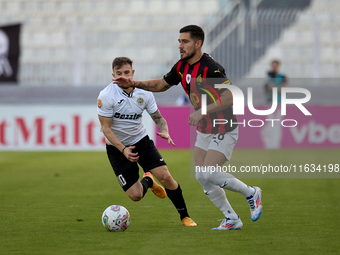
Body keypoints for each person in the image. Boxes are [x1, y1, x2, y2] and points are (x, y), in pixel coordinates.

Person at [113, 25, 262, 230]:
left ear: (198, 43)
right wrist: (133, 83)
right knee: (202, 176)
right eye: (179, 41)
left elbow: (230, 96)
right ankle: (231, 218)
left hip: (223, 126)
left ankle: (251, 193)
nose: (180, 46)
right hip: (204, 128)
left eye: (185, 42)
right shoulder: (182, 66)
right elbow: (162, 84)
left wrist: (202, 111)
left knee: (209, 172)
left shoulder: (210, 67)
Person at [97, 57, 196, 227]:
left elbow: (158, 118)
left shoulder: (144, 92)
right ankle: (148, 180)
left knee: (166, 177)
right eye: (119, 73)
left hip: (141, 141)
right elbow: (106, 129)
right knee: (135, 196)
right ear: (113, 75)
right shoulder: (106, 96)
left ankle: (185, 216)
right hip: (117, 148)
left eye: (127, 72)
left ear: (133, 73)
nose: (123, 76)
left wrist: (164, 130)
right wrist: (123, 150)